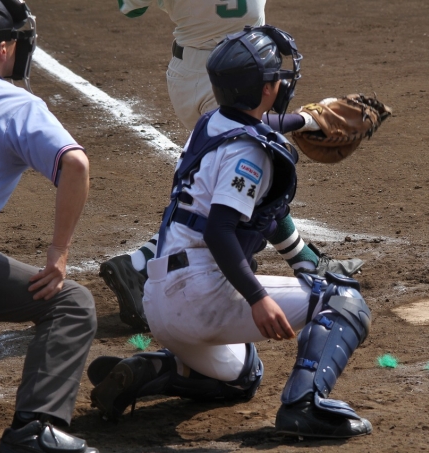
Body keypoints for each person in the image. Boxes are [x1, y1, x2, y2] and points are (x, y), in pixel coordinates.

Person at [89, 25, 372, 439]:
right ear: (267, 88)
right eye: (277, 76)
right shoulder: (250, 155)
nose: (283, 81)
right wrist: (258, 298)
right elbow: (220, 231)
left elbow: (259, 123)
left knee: (244, 376)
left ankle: (152, 369)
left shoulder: (210, 123)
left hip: (162, 306)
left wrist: (306, 119)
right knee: (343, 300)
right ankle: (305, 406)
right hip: (201, 295)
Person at [101, 0, 363, 332]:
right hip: (248, 71)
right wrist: (305, 119)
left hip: (189, 75)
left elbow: (131, 8)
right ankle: (141, 263)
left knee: (221, 177)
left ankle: (304, 262)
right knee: (251, 180)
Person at [0, 1, 98, 452]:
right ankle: (34, 430)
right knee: (70, 303)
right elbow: (75, 165)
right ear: (4, 48)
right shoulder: (18, 106)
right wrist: (59, 251)